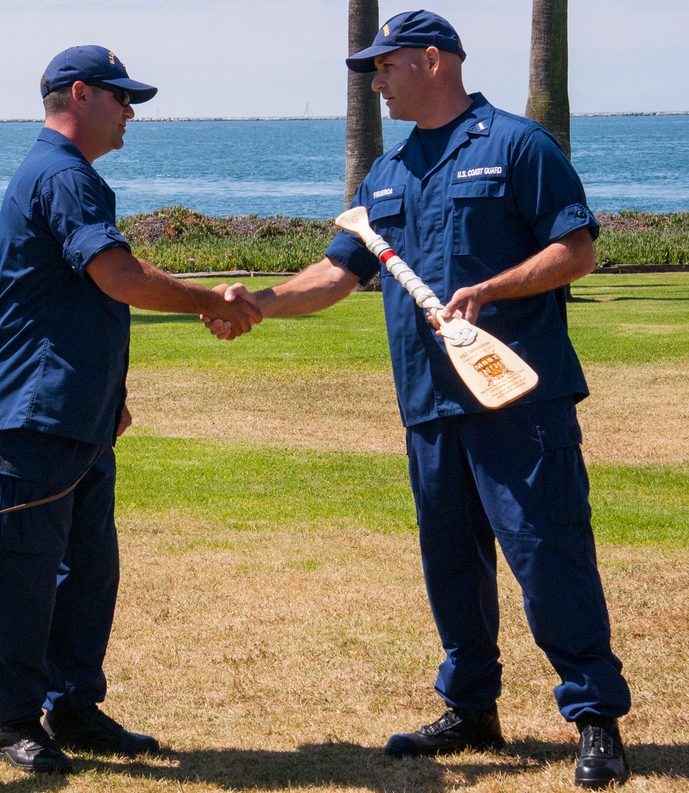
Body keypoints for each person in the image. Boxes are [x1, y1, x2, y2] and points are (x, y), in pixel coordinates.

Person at [206, 10, 631, 789]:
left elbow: (578, 251)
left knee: (547, 551)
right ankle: (471, 707)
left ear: (433, 61)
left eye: (386, 66)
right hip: (430, 405)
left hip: (517, 401)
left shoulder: (516, 146)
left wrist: (493, 288)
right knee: (451, 564)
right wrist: (258, 300)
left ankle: (596, 717)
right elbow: (337, 274)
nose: (375, 81)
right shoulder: (386, 174)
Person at [0, 44, 260, 775]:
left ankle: (74, 704)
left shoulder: (69, 177)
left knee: (87, 569)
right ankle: (15, 721)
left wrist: (112, 394)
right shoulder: (64, 177)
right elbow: (117, 275)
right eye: (121, 97)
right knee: (22, 570)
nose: (131, 112)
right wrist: (208, 299)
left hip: (76, 415)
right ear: (78, 95)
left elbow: (79, 300)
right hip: (31, 415)